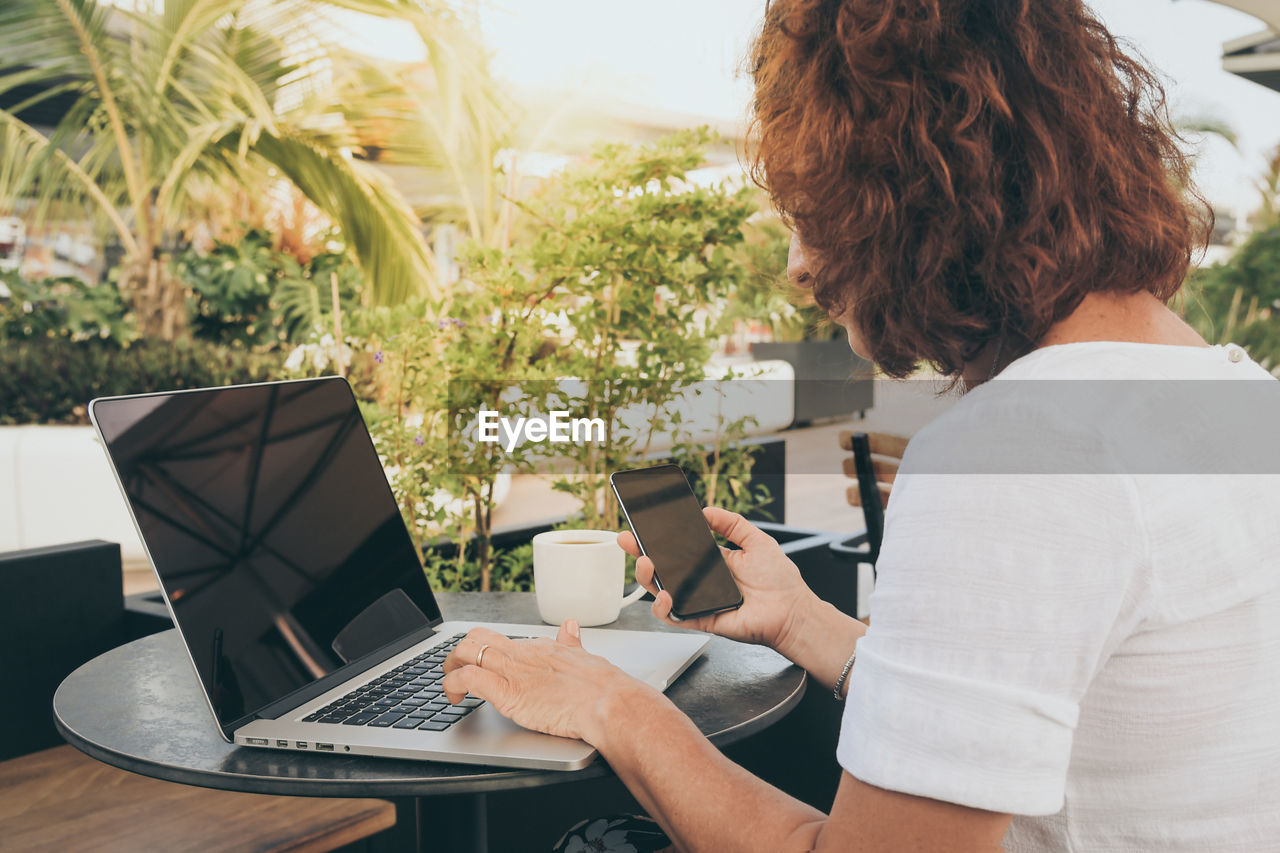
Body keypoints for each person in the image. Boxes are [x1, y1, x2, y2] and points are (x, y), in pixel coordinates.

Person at [443, 1, 1280, 850]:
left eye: (816, 210)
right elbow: (1069, 706)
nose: (799, 265)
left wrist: (611, 703)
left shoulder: (1018, 453)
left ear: (914, 190)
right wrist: (800, 620)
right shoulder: (1234, 395)